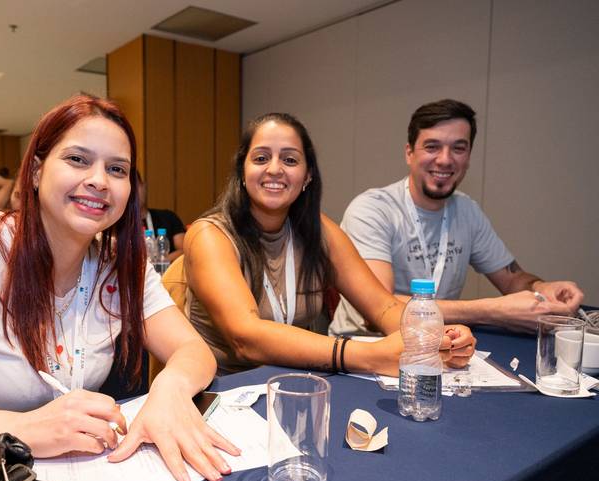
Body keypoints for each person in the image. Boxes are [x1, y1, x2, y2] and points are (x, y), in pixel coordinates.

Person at [0, 95, 238, 481]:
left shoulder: (119, 264)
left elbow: (192, 350)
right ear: (37, 172)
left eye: (117, 168)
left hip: (56, 480)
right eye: (77, 159)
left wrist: (171, 389)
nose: (99, 180)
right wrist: (18, 430)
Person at [183, 112, 476, 376]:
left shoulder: (319, 230)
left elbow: (384, 308)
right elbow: (245, 337)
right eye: (261, 158)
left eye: (289, 159)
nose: (274, 169)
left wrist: (436, 334)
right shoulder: (210, 236)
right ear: (242, 172)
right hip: (222, 394)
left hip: (294, 382)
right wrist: (369, 356)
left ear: (307, 175)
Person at [329, 99, 584, 335]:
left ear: (469, 156)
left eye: (458, 148)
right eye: (432, 147)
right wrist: (492, 311)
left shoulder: (466, 211)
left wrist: (542, 288)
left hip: (435, 344)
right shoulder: (372, 210)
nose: (445, 160)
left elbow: (513, 278)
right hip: (362, 347)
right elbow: (379, 311)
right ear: (409, 153)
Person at [138, 174, 186, 261]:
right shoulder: (119, 224)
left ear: (144, 186)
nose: (134, 193)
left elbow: (184, 249)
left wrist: (160, 263)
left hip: (166, 271)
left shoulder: (168, 217)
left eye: (136, 186)